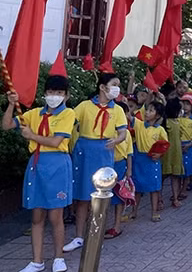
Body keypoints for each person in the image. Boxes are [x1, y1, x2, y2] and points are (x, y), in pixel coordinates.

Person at [2, 70, 74, 272]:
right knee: (37, 216)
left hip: (58, 165)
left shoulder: (68, 114)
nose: (54, 96)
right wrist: (11, 103)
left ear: (66, 96)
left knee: (55, 216)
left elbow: (55, 141)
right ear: (45, 93)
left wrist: (32, 135)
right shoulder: (33, 114)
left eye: (59, 92)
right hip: (37, 165)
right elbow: (7, 125)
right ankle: (37, 261)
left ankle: (59, 257)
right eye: (51, 91)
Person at [63, 72, 128, 254]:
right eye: (114, 84)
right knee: (83, 197)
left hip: (105, 152)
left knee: (101, 198)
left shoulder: (118, 110)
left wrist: (116, 141)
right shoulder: (84, 106)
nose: (117, 88)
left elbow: (122, 132)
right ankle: (78, 237)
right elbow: (69, 121)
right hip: (84, 151)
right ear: (102, 87)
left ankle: (96, 235)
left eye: (118, 85)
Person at [132, 101, 167, 222]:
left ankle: (154, 212)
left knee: (154, 188)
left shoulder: (160, 130)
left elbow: (165, 145)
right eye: (147, 110)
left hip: (152, 160)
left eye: (151, 110)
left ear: (157, 115)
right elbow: (130, 117)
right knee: (137, 188)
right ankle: (134, 211)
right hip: (139, 159)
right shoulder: (139, 125)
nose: (147, 112)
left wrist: (160, 154)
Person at [105, 100, 133, 239]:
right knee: (102, 197)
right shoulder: (105, 130)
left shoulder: (126, 133)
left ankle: (116, 226)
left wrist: (129, 171)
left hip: (119, 165)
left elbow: (129, 153)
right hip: (105, 165)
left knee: (118, 196)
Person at [178, 93, 192, 199]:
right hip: (178, 145)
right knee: (179, 169)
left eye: (188, 104)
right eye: (183, 103)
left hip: (189, 146)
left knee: (187, 170)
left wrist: (190, 144)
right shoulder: (178, 118)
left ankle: (184, 190)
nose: (185, 106)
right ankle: (177, 191)